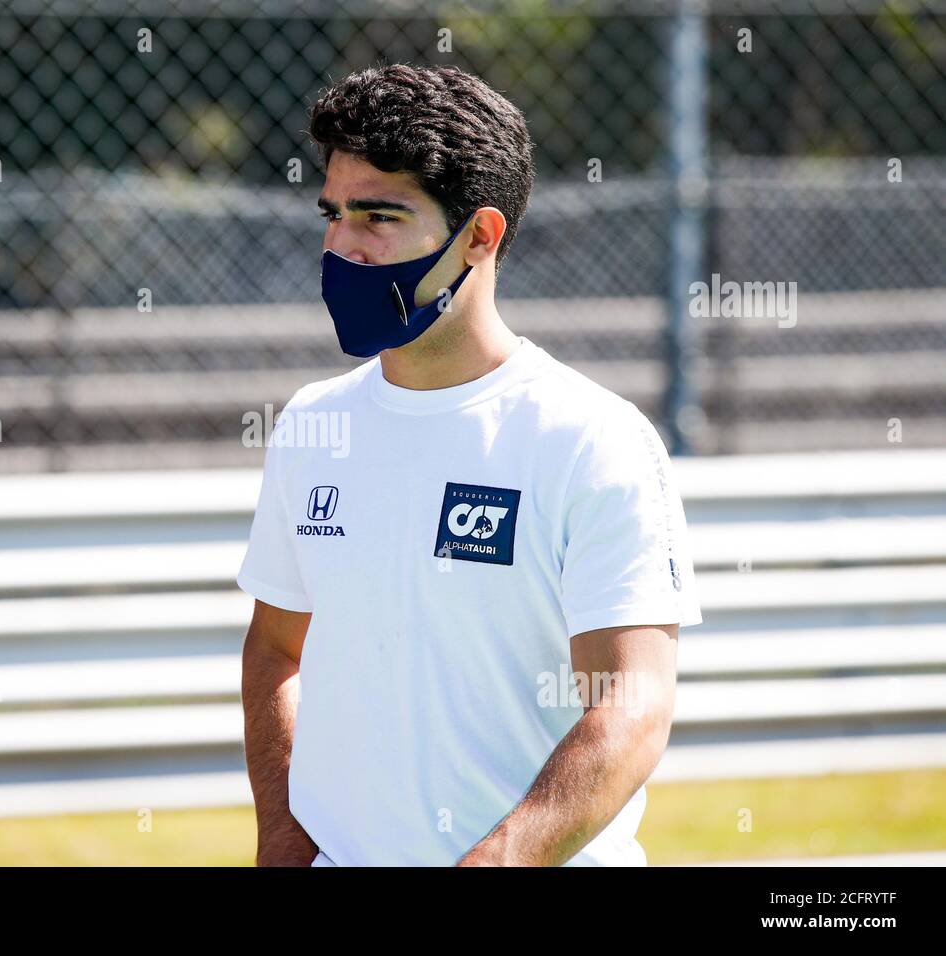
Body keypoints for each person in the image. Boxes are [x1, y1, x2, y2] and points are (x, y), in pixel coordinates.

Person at [236, 63, 702, 867]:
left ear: (480, 237)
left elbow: (634, 702)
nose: (341, 246)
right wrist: (284, 839)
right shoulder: (313, 424)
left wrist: (499, 860)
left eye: (378, 215)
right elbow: (276, 650)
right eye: (333, 214)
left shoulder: (591, 438)